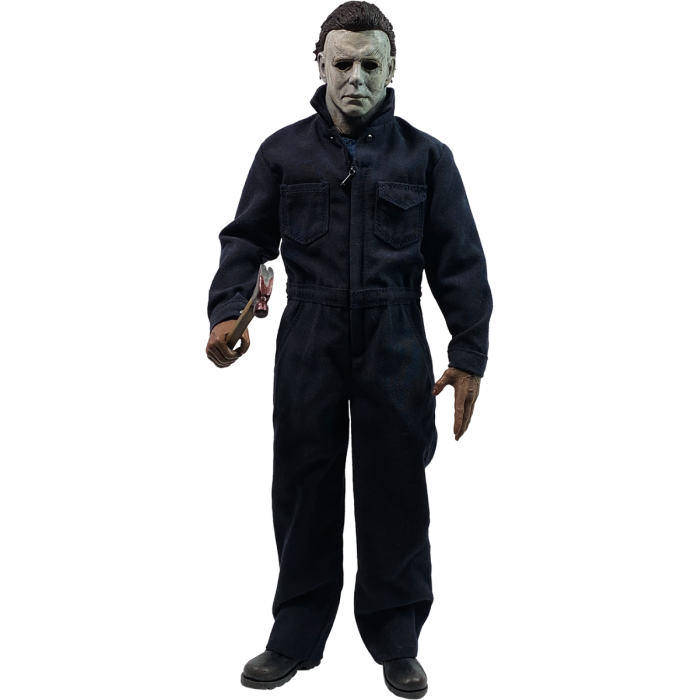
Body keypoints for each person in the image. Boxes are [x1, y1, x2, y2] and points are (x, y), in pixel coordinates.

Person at [205, 2, 492, 697]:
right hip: (310, 333)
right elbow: (246, 239)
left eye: (370, 63)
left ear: (392, 69)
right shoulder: (281, 153)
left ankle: (397, 636)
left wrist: (469, 351)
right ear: (320, 65)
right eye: (343, 63)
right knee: (304, 481)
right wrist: (225, 312)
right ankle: (296, 632)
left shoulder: (428, 157)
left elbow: (459, 260)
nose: (355, 77)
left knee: (397, 483)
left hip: (396, 339)